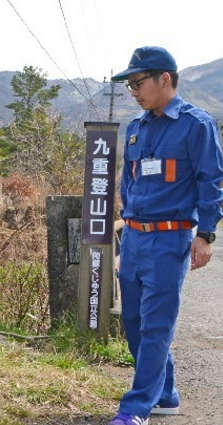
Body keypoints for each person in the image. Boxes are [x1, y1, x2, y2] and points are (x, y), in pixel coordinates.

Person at [109, 46, 223, 425]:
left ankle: (135, 408)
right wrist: (126, 238)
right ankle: (166, 395)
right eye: (130, 86)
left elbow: (212, 181)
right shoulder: (137, 128)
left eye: (138, 83)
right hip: (137, 239)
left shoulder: (196, 124)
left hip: (171, 238)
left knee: (157, 325)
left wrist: (205, 234)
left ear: (165, 79)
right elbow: (129, 184)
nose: (134, 92)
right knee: (135, 322)